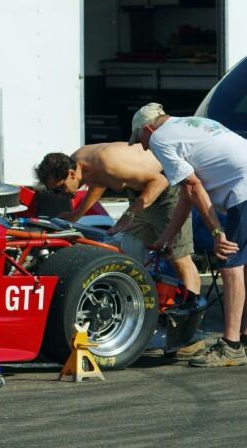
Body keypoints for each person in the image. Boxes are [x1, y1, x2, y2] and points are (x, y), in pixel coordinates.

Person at [34, 144, 205, 358]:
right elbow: (99, 182)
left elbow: (159, 181)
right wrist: (77, 214)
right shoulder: (80, 162)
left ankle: (190, 336)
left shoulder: (106, 163)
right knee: (130, 261)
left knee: (180, 260)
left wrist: (130, 214)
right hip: (141, 193)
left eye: (59, 189)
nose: (61, 195)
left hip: (166, 189)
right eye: (53, 192)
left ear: (71, 173)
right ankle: (144, 326)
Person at [130, 102, 247, 367]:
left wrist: (217, 232)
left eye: (141, 139)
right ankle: (244, 338)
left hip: (243, 188)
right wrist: (167, 237)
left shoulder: (160, 139)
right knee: (244, 265)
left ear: (148, 129)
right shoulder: (187, 125)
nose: (144, 147)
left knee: (230, 264)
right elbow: (187, 193)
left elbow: (193, 187)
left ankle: (231, 346)